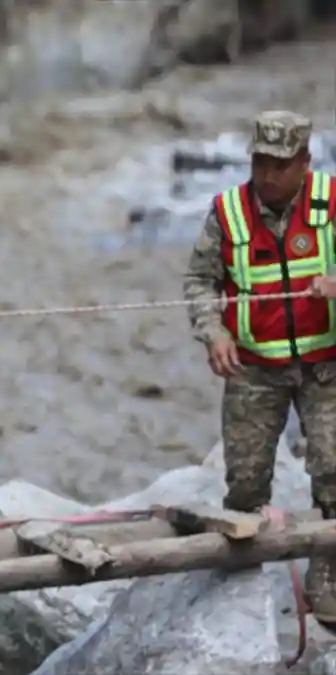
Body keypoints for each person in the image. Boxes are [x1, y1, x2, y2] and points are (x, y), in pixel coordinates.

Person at [182, 110, 336, 624]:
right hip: (255, 368)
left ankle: (328, 576)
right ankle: (242, 597)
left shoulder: (331, 204)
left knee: (335, 473)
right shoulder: (227, 214)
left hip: (325, 366)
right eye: (260, 162)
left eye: (280, 164)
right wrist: (214, 332)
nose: (267, 175)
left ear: (304, 163)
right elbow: (200, 281)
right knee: (245, 485)